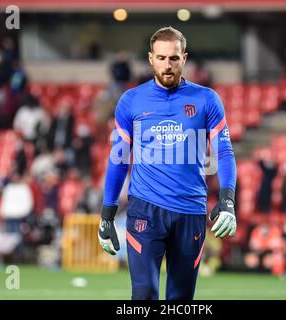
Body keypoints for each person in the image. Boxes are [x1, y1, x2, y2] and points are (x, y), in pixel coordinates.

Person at [97, 27, 237, 300]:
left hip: (191, 211)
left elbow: (224, 151)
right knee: (145, 293)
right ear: (151, 59)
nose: (168, 65)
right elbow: (118, 159)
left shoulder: (207, 99)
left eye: (173, 58)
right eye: (161, 58)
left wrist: (228, 199)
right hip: (144, 211)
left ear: (184, 58)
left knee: (180, 299)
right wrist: (106, 215)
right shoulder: (131, 101)